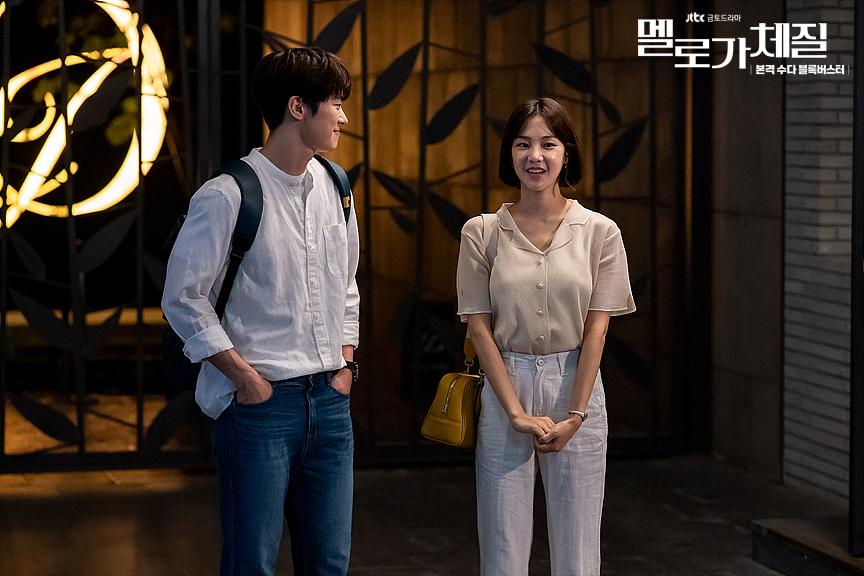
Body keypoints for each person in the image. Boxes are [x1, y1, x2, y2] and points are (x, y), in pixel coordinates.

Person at [162, 47, 359, 576]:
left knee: (329, 565)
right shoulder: (228, 193)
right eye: (335, 104)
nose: (343, 117)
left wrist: (345, 363)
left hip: (330, 401)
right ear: (297, 107)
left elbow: (347, 285)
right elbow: (182, 297)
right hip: (261, 407)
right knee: (251, 564)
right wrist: (245, 379)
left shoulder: (337, 186)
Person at [456, 97, 636, 576]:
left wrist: (576, 414)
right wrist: (514, 411)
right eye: (523, 144)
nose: (535, 156)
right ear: (510, 154)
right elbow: (479, 327)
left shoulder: (600, 232)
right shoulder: (482, 232)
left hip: (576, 382)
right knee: (502, 548)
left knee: (578, 551)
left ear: (566, 153)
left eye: (548, 144)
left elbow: (597, 329)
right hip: (505, 384)